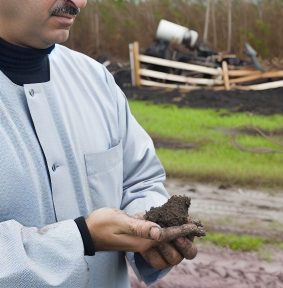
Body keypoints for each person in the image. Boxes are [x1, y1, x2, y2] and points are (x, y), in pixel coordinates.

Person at [0, 0, 202, 287]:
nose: (79, 2)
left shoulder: (95, 79)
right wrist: (81, 237)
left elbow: (140, 180)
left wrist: (152, 225)